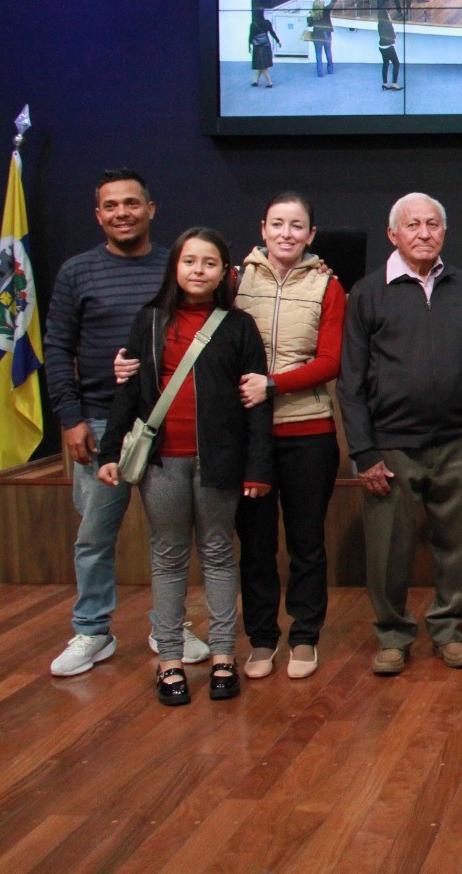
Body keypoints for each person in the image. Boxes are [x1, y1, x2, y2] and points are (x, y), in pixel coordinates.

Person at [95, 228, 274, 705]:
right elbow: (129, 391)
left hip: (220, 463)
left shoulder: (239, 326)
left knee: (218, 553)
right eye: (189, 261)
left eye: (209, 263)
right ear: (174, 267)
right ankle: (170, 660)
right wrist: (109, 451)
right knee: (169, 557)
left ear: (224, 272)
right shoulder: (150, 320)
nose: (198, 270)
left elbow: (257, 404)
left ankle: (221, 657)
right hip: (162, 465)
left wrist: (257, 468)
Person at [45, 170, 211, 677]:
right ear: (99, 215)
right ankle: (93, 630)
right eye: (111, 206)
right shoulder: (77, 272)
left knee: (170, 538)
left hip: (166, 423)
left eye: (132, 204)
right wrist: (71, 419)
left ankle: (169, 627)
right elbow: (56, 348)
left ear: (151, 209)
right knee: (95, 534)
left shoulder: (174, 266)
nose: (122, 213)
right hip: (99, 421)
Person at [337, 193, 462, 675]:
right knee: (388, 549)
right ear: (393, 234)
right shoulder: (367, 293)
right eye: (413, 225)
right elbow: (350, 381)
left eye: (433, 225)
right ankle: (392, 634)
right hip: (392, 445)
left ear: (444, 232)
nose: (424, 233)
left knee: (457, 545)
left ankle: (449, 630)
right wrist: (363, 452)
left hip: (457, 439)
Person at [232, 193, 347, 680]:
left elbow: (330, 362)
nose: (286, 234)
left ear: (311, 235)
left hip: (309, 431)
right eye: (277, 224)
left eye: (297, 226)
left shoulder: (328, 286)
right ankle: (261, 639)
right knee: (255, 544)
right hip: (247, 437)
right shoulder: (235, 281)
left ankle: (304, 636)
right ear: (262, 228)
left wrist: (273, 383)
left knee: (306, 542)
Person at [306, 0, 340, 78]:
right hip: (326, 34)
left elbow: (309, 26)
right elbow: (334, 1)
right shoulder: (325, 11)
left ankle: (320, 72)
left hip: (316, 35)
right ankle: (330, 69)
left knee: (318, 54)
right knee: (328, 51)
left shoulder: (310, 15)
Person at [249, 9, 279, 88]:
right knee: (261, 64)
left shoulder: (253, 24)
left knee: (262, 65)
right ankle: (255, 81)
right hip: (266, 45)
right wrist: (278, 40)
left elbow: (251, 36)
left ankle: (269, 82)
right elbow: (272, 32)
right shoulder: (267, 23)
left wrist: (249, 45)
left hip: (257, 47)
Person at [378, 11, 401, 91]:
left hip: (381, 47)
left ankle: (384, 83)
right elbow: (393, 36)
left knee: (385, 63)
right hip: (388, 47)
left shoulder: (380, 23)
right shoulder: (388, 24)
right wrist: (394, 34)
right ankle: (394, 84)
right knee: (396, 64)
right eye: (388, 15)